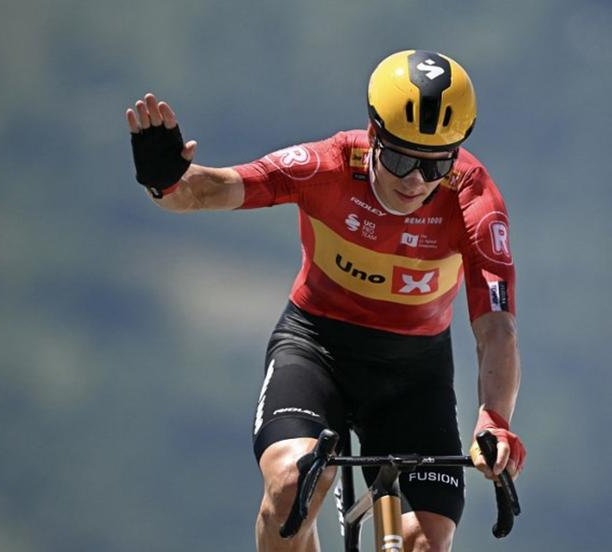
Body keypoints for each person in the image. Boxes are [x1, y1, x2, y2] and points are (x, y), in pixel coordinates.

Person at [125, 49, 526, 552]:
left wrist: (495, 421)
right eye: (400, 159)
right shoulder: (330, 165)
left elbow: (497, 329)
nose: (415, 180)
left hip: (413, 375)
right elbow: (206, 191)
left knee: (424, 543)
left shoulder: (473, 198)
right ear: (373, 135)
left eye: (434, 165)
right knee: (291, 488)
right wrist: (164, 180)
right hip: (317, 348)